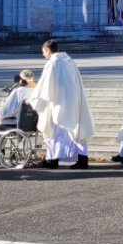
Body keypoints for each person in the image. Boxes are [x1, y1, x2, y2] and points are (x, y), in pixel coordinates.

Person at [29, 39, 94, 169]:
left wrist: (34, 99)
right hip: (73, 101)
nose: (43, 55)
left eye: (43, 52)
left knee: (54, 132)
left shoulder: (52, 63)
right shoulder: (69, 61)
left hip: (57, 103)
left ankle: (52, 160)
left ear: (47, 50)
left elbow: (45, 85)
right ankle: (82, 159)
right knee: (75, 131)